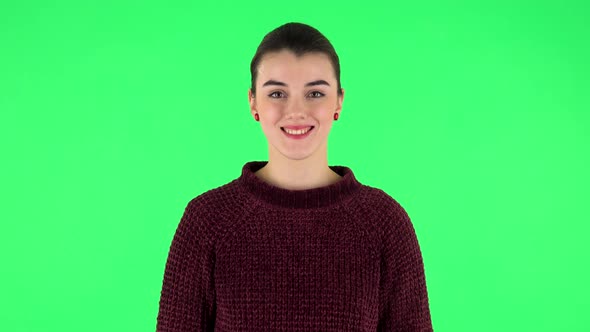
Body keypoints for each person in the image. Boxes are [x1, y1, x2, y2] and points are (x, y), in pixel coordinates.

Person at [156, 22, 433, 331]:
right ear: (253, 103)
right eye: (277, 93)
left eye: (315, 93)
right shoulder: (207, 221)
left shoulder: (384, 222)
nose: (296, 111)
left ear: (339, 101)